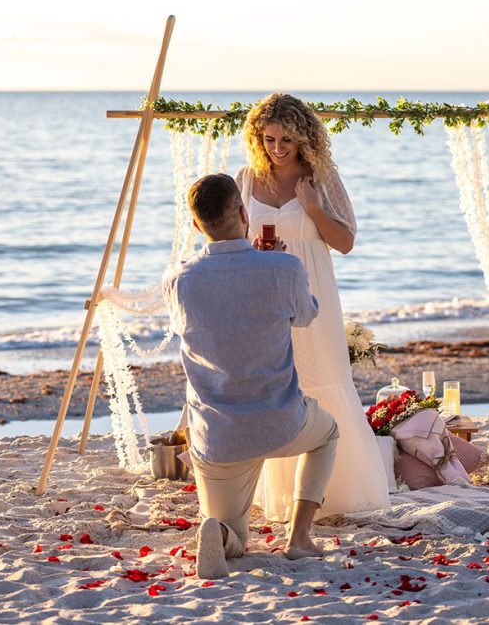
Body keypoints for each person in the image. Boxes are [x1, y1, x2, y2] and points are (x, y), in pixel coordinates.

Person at [163, 173, 340, 580]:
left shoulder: (178, 280)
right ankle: (298, 539)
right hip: (281, 422)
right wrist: (272, 264)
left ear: (196, 224)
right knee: (328, 433)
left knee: (234, 535)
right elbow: (307, 314)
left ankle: (223, 535)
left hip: (218, 434)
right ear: (244, 213)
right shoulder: (283, 268)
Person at [237, 93, 391, 521]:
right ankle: (282, 497)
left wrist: (312, 207)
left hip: (312, 292)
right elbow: (227, 239)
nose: (278, 148)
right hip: (263, 295)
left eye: (286, 139)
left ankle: (336, 494)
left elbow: (344, 243)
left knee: (323, 380)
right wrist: (252, 248)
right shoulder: (246, 179)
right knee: (276, 387)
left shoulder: (321, 177)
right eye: (269, 139)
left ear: (303, 137)